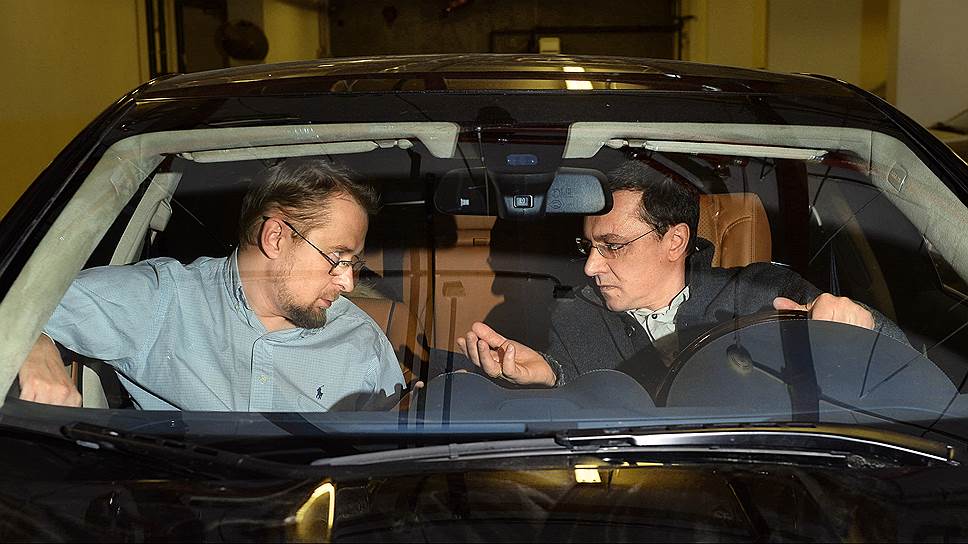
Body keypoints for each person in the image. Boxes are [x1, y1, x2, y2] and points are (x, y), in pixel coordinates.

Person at [458, 159, 907, 398]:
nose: (591, 267)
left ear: (674, 241)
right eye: (588, 246)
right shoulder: (573, 317)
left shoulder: (763, 293)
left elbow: (906, 370)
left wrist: (862, 325)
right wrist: (546, 377)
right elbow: (573, 409)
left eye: (612, 245)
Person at [17, 159, 406, 411]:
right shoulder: (164, 301)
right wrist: (33, 347)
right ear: (275, 238)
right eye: (337, 257)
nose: (347, 282)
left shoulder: (361, 342)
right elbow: (17, 303)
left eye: (353, 263)